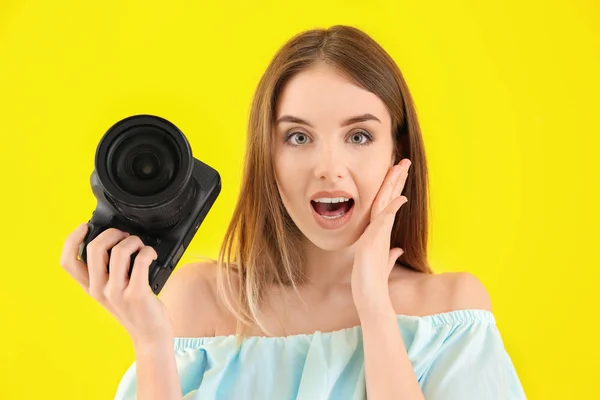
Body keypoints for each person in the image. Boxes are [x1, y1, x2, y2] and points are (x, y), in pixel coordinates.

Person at [60, 25, 526, 400]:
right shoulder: (198, 304)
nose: (329, 170)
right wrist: (150, 343)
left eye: (359, 136)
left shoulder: (450, 313)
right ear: (269, 157)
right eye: (298, 138)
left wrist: (374, 307)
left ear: (396, 151)